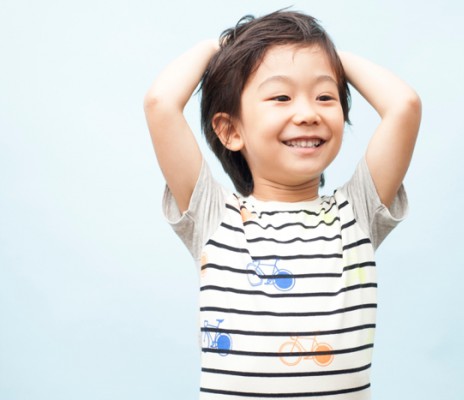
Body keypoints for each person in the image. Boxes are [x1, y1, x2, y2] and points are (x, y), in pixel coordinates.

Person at [144, 9, 421, 400]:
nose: (308, 113)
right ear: (230, 130)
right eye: (281, 97)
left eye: (324, 96)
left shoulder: (357, 213)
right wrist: (223, 48)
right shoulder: (214, 217)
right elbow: (160, 103)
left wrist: (327, 58)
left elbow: (404, 105)